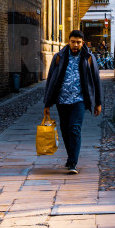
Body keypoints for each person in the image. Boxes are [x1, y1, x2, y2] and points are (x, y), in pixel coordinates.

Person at [43, 29, 101, 173]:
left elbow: (96, 80)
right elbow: (51, 80)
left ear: (83, 43)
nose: (76, 45)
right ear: (69, 41)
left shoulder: (88, 57)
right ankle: (71, 157)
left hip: (79, 100)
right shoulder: (59, 57)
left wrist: (98, 102)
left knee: (74, 129)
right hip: (62, 100)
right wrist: (47, 103)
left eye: (78, 42)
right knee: (65, 130)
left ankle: (73, 163)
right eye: (73, 42)